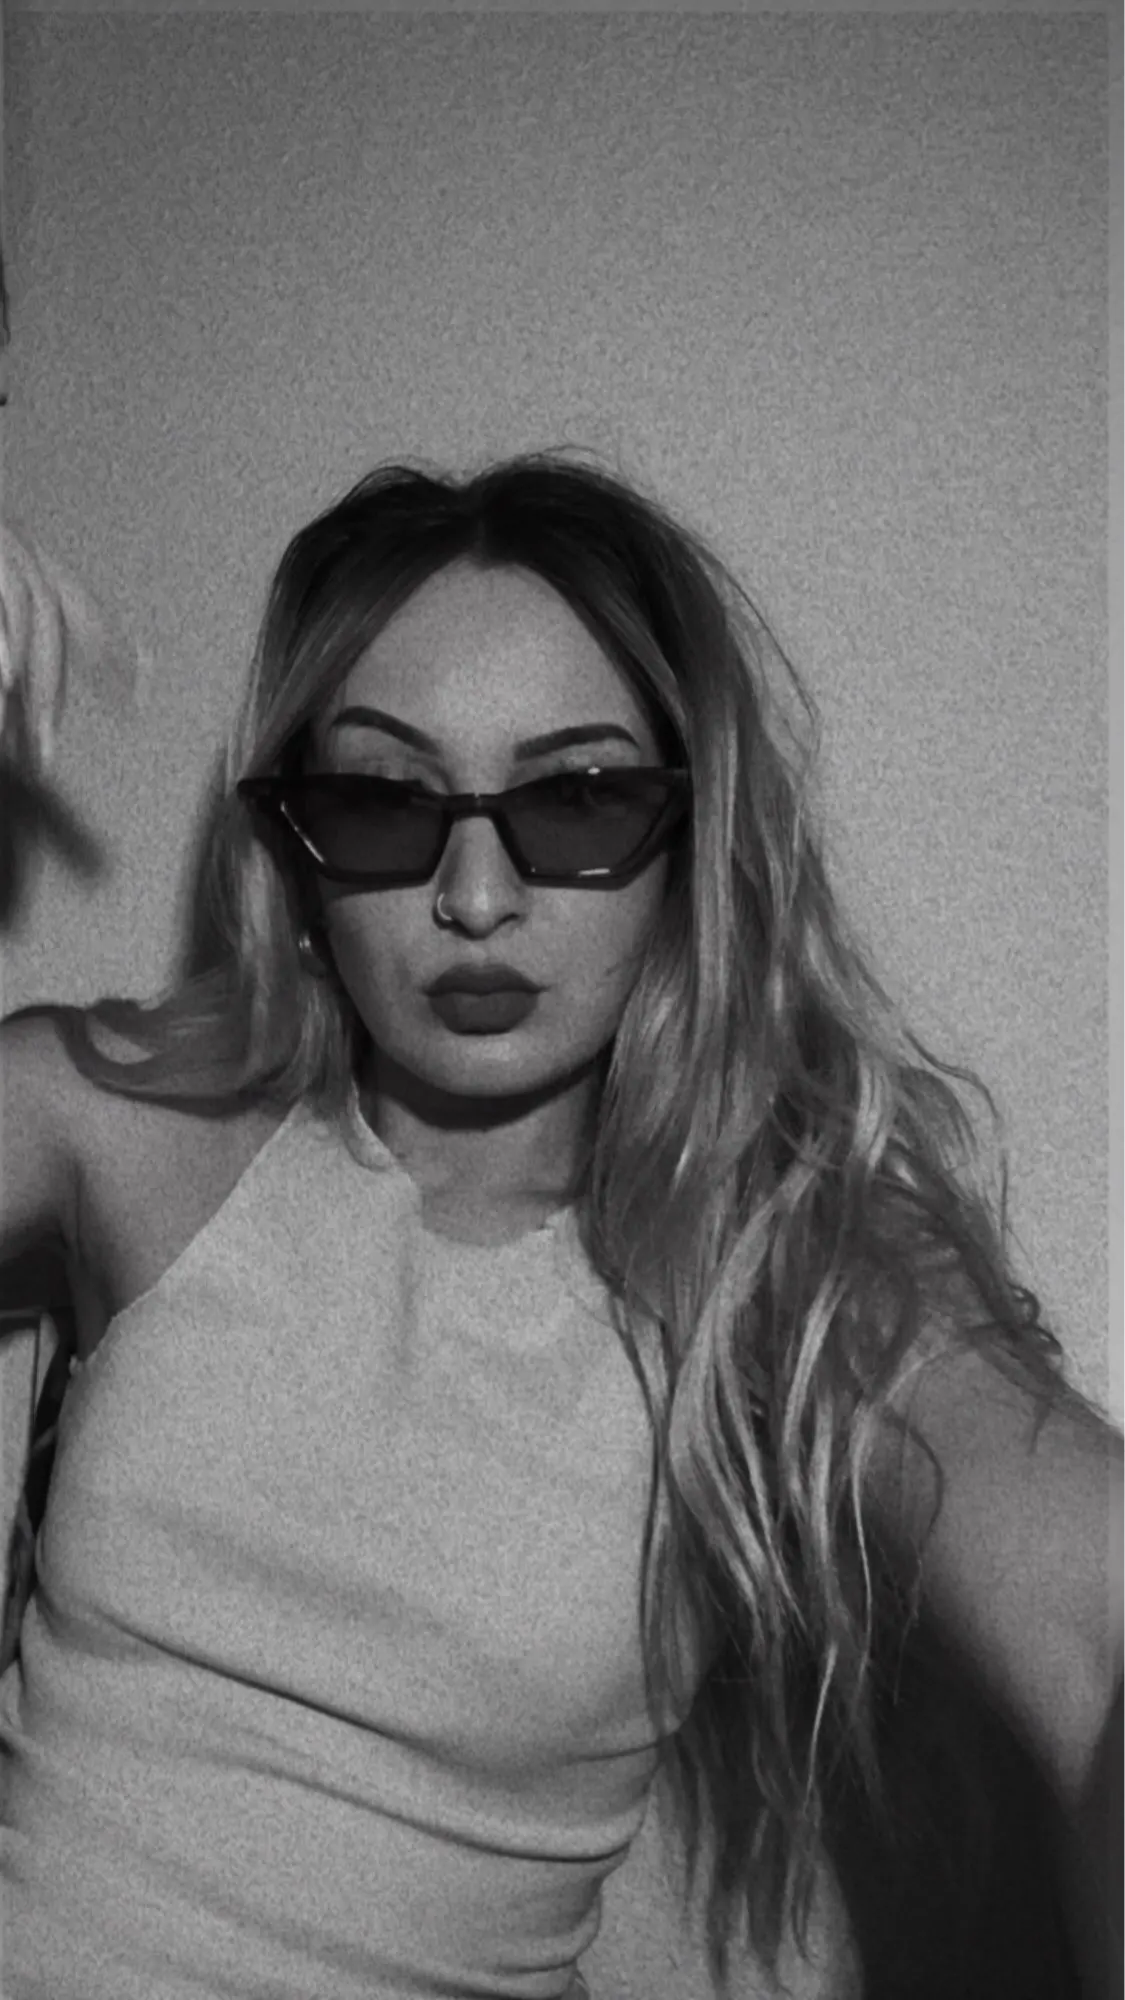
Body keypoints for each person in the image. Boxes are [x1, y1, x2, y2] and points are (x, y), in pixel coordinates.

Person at [0, 449, 1120, 1999]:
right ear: (298, 847)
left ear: (692, 841)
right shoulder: (123, 1127)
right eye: (382, 800)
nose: (474, 894)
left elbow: (1095, 1625)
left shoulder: (773, 1275)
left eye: (579, 798)